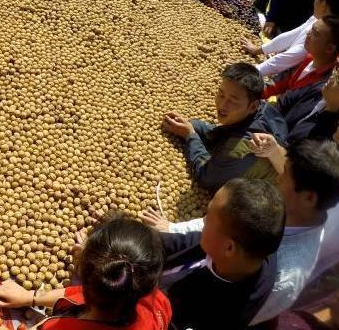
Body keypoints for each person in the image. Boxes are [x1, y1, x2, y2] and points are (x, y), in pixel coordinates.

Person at [145, 141, 338, 325]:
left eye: (286, 172)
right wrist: (172, 230)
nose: (279, 177)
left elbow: (227, 315)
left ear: (309, 198)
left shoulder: (282, 279)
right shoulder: (282, 211)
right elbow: (222, 220)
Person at [0, 214, 169, 329]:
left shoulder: (61, 328)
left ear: (82, 272)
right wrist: (30, 297)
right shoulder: (158, 302)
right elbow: (79, 295)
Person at [157, 178, 283, 329]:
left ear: (229, 248)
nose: (203, 220)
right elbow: (185, 241)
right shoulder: (253, 244)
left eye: (208, 216)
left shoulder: (214, 315)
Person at [161, 62, 288, 191]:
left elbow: (206, 177)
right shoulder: (262, 108)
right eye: (221, 94)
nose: (222, 104)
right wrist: (192, 125)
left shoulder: (242, 147)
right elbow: (222, 133)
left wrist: (190, 135)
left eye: (233, 100)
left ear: (253, 106)